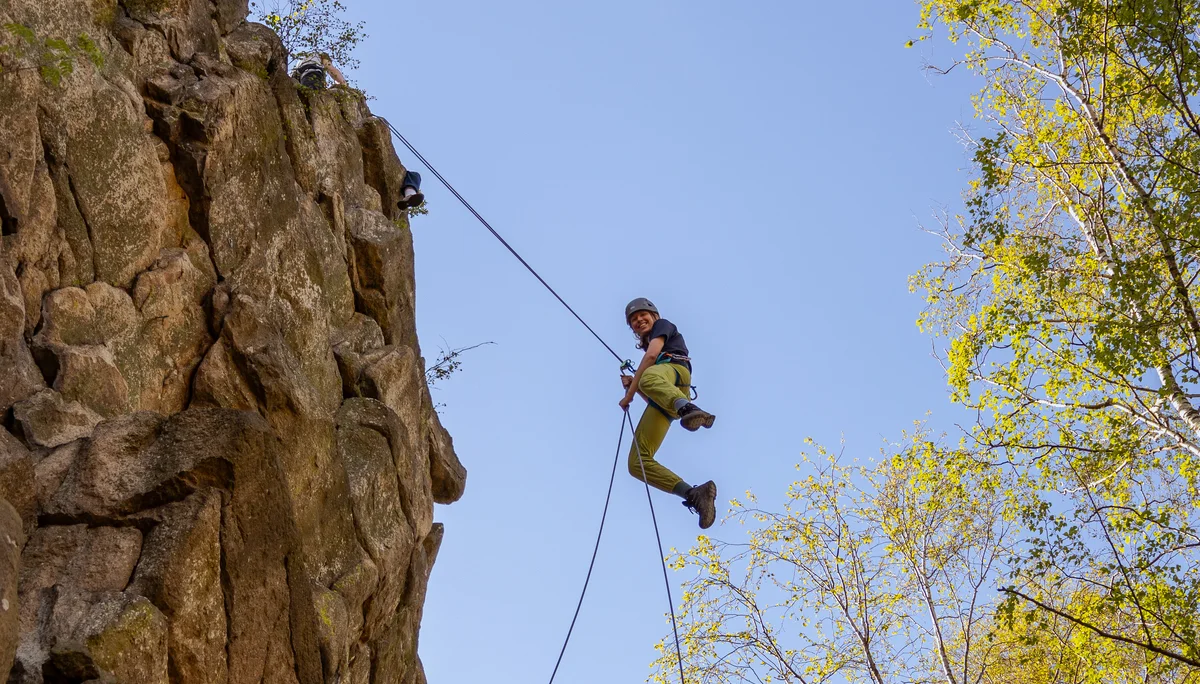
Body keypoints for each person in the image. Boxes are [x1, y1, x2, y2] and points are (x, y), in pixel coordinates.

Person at [619, 298, 719, 528]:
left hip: (676, 373)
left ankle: (690, 409)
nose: (638, 320)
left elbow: (652, 357)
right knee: (637, 464)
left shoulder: (662, 326)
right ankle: (695, 494)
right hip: (669, 399)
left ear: (654, 315)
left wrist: (629, 395)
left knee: (648, 376)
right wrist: (633, 386)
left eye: (642, 315)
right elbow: (652, 395)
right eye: (633, 320)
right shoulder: (651, 371)